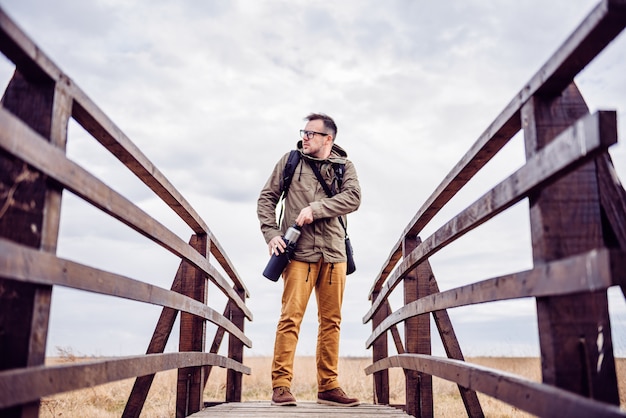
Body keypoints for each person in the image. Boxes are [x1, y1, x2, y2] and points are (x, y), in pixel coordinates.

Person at [257, 113, 362, 407]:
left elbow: (353, 198)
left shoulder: (345, 167)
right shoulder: (290, 161)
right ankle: (281, 386)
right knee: (290, 319)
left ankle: (328, 387)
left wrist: (316, 208)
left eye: (311, 133)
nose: (305, 137)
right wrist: (271, 234)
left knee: (331, 322)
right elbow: (266, 198)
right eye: (304, 132)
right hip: (299, 253)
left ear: (328, 139)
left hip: (334, 254)